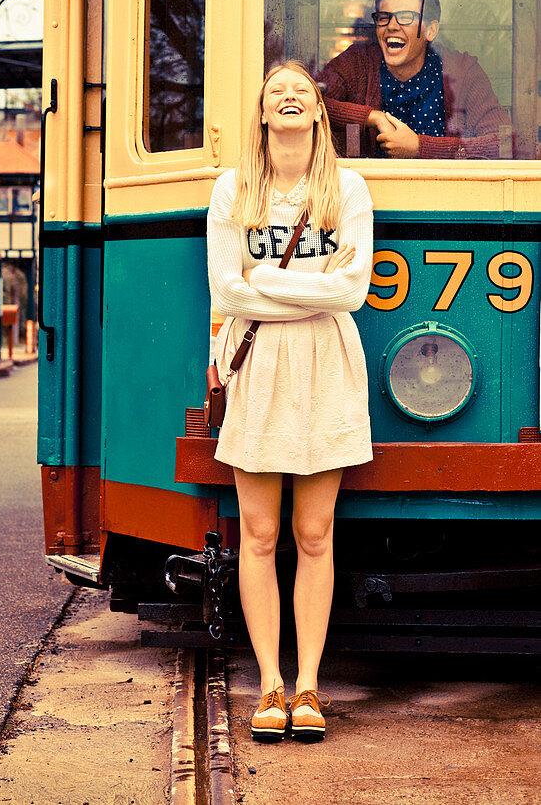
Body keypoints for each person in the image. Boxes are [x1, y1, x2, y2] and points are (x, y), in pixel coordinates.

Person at [207, 61, 373, 743]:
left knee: (313, 533)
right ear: (262, 111)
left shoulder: (347, 187)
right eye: (277, 89)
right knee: (258, 533)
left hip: (327, 364)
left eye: (301, 90)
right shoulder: (231, 189)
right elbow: (225, 291)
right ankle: (268, 685)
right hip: (259, 362)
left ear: (317, 112)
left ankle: (308, 685)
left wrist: (266, 278)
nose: (289, 95)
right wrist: (301, 286)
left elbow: (352, 292)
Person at [321, 0, 511, 159]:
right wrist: (371, 117)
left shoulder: (462, 71)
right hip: (372, 189)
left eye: (405, 16)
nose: (392, 26)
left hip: (447, 188)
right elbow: (307, 100)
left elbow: (504, 143)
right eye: (384, 17)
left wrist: (420, 147)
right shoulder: (358, 61)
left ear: (431, 30)